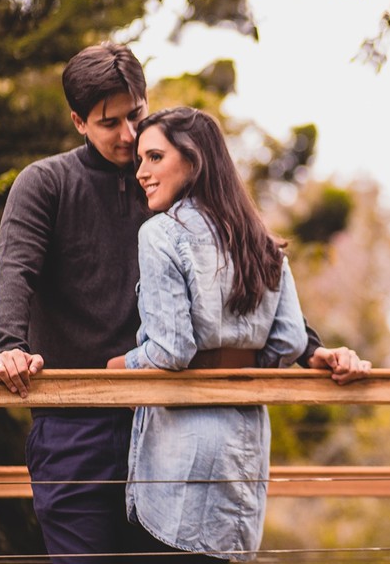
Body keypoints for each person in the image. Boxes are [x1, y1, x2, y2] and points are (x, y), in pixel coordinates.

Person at [0, 42, 370, 563]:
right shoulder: (46, 183)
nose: (127, 136)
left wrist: (311, 350)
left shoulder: (175, 189)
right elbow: (16, 269)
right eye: (108, 123)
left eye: (135, 116)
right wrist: (7, 346)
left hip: (167, 423)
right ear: (78, 122)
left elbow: (246, 269)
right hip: (77, 423)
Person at [105, 107, 304, 560]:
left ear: (193, 161)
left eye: (154, 157)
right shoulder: (263, 242)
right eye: (140, 159)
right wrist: (240, 364)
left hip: (184, 449)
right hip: (245, 441)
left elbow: (172, 350)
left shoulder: (162, 234)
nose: (141, 172)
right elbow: (289, 341)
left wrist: (120, 365)